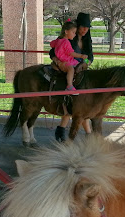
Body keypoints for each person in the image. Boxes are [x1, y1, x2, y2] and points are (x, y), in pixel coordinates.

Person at [50, 12, 94, 141]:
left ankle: (62, 131)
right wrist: (57, 61)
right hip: (68, 67)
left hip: (80, 69)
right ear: (77, 26)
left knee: (79, 105)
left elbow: (89, 57)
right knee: (79, 105)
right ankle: (88, 135)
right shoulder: (69, 37)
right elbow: (52, 50)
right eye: (83, 27)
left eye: (87, 27)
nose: (85, 30)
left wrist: (85, 64)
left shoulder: (87, 39)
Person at [50, 21, 88, 94]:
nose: (74, 34)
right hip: (66, 61)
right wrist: (81, 56)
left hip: (64, 60)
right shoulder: (66, 42)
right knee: (71, 69)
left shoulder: (58, 40)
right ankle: (69, 85)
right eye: (73, 32)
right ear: (66, 32)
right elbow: (71, 53)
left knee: (80, 64)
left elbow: (51, 44)